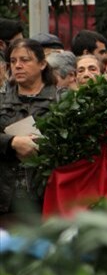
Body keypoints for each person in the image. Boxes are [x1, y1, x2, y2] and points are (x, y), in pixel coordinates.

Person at [0, 39, 62, 218]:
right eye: (13, 61)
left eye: (25, 60)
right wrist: (12, 142)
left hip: (46, 196)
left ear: (42, 64)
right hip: (6, 197)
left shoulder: (61, 99)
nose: (17, 66)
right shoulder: (2, 99)